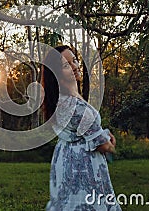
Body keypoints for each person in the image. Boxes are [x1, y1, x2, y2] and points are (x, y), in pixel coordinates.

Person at [42, 45, 121, 211]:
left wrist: (103, 133)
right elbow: (101, 145)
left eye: (74, 60)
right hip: (82, 165)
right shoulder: (75, 107)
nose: (74, 66)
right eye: (66, 65)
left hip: (65, 159)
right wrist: (111, 144)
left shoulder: (61, 101)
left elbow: (82, 132)